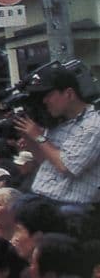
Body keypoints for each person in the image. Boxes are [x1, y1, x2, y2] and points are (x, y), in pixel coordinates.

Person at [13, 64, 100, 228]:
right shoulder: (56, 124)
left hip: (72, 206)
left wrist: (38, 136)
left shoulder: (93, 124)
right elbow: (44, 161)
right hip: (42, 198)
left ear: (68, 94)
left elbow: (66, 165)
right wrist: (30, 139)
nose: (45, 101)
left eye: (49, 94)